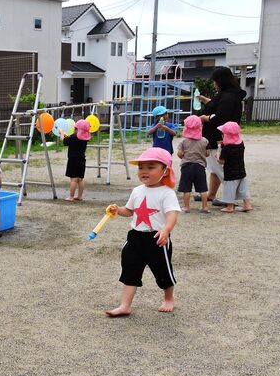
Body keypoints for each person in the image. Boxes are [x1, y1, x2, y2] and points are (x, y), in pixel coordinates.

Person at [104, 147, 181, 316]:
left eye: (151, 167)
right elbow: (129, 211)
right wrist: (118, 210)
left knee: (163, 273)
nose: (144, 171)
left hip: (156, 238)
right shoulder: (137, 191)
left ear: (165, 170)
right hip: (135, 238)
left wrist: (166, 230)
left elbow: (172, 214)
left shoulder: (167, 193)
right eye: (141, 167)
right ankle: (125, 305)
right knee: (129, 270)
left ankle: (169, 298)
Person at [198, 66, 247, 206]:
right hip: (223, 136)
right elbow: (218, 106)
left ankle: (232, 198)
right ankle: (212, 194)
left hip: (218, 137)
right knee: (214, 168)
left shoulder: (228, 96)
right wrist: (206, 100)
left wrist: (205, 118)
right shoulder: (229, 94)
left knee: (222, 169)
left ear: (221, 81)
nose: (214, 84)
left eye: (215, 81)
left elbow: (221, 116)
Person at [216, 122, 253, 213]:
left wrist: (217, 155)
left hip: (230, 172)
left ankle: (229, 207)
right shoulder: (241, 144)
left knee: (230, 189)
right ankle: (247, 205)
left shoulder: (226, 148)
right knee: (243, 188)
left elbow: (221, 161)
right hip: (241, 170)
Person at [177, 115, 210, 213]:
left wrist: (183, 155)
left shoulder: (183, 141)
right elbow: (207, 154)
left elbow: (179, 154)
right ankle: (205, 207)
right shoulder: (204, 140)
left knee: (186, 189)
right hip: (200, 167)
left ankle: (186, 207)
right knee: (202, 189)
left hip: (187, 167)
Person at [60, 119, 91, 202]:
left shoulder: (73, 137)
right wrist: (68, 136)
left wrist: (62, 134)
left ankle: (71, 196)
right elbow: (72, 140)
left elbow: (64, 141)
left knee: (73, 180)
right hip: (82, 161)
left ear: (77, 129)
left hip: (73, 161)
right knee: (80, 179)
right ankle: (80, 196)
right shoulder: (85, 138)